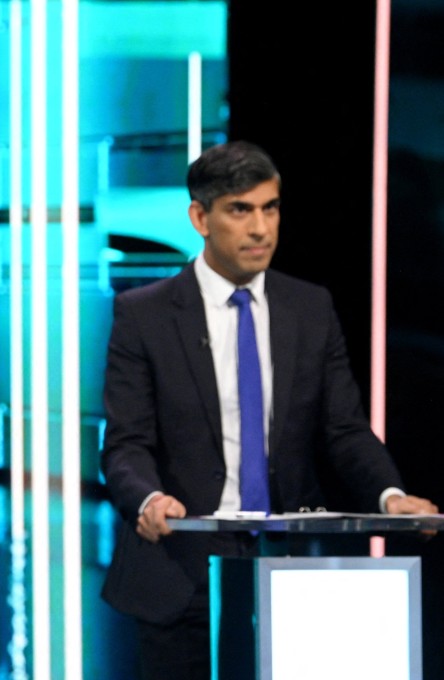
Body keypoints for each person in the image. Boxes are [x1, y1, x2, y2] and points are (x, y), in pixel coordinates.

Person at [98, 140, 438, 680]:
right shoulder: (145, 315)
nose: (260, 228)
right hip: (181, 575)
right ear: (200, 217)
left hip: (291, 572)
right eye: (240, 210)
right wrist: (148, 497)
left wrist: (389, 495)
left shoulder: (310, 308)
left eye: (270, 208)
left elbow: (344, 430)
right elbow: (125, 443)